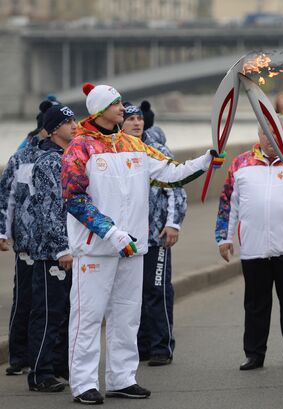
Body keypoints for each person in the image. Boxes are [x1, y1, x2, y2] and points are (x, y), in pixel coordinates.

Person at [62, 83, 224, 404]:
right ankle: (83, 383)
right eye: (116, 103)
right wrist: (110, 232)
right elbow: (73, 198)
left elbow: (170, 174)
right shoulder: (80, 148)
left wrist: (205, 160)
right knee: (88, 316)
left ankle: (122, 378)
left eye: (121, 103)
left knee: (127, 315)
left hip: (133, 247)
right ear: (99, 109)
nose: (123, 108)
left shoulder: (133, 145)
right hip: (97, 248)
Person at [215, 115, 283, 371]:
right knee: (255, 305)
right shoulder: (241, 164)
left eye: (276, 133)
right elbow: (228, 203)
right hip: (254, 248)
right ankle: (254, 354)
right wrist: (224, 237)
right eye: (265, 133)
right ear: (258, 135)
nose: (270, 138)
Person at [120, 102, 186, 366]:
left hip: (156, 237)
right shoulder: (116, 150)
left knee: (155, 290)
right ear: (120, 123)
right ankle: (141, 345)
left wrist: (173, 223)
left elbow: (176, 189)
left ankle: (161, 346)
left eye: (139, 118)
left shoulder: (157, 151)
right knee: (131, 295)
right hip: (127, 239)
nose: (136, 123)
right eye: (130, 119)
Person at [0, 99, 54, 376]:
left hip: (52, 246)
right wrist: (3, 231)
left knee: (48, 306)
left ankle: (44, 358)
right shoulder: (21, 158)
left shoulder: (65, 156)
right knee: (24, 301)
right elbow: (6, 198)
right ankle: (19, 357)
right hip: (26, 244)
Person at [27, 104, 76, 392]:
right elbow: (49, 210)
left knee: (66, 311)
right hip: (51, 253)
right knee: (48, 312)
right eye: (69, 122)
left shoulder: (69, 157)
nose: (74, 126)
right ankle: (40, 373)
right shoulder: (48, 162)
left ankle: (59, 366)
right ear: (55, 128)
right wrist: (61, 249)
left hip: (71, 248)